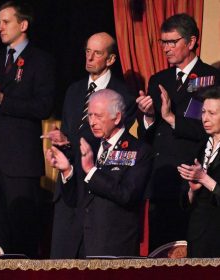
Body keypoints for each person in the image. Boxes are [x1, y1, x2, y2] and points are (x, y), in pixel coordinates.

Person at [0, 1, 55, 257]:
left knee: (22, 232)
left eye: (6, 22)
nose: (0, 27)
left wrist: (3, 101)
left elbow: (43, 107)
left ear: (23, 24)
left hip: (20, 161)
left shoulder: (41, 61)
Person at [41, 32, 137, 258]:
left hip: (96, 192)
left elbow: (112, 142)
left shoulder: (123, 95)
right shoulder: (74, 90)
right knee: (61, 262)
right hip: (67, 187)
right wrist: (61, 142)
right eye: (87, 51)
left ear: (111, 59)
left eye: (98, 53)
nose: (90, 57)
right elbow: (68, 131)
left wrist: (71, 143)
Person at [136, 13, 220, 251]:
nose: (166, 48)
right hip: (162, 179)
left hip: (192, 178)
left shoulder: (212, 78)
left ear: (191, 42)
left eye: (172, 42)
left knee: (192, 253)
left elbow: (210, 130)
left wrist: (172, 118)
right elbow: (147, 136)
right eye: (163, 43)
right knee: (161, 253)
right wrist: (149, 116)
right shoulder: (159, 79)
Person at [46, 89, 152, 257]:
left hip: (113, 244)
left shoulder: (139, 150)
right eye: (90, 116)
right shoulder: (89, 146)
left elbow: (127, 195)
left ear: (116, 118)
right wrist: (67, 171)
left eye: (98, 116)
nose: (92, 122)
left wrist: (92, 171)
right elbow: (74, 199)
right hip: (81, 243)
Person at [178, 86, 220, 257]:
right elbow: (185, 203)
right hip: (198, 236)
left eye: (212, 113)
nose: (205, 118)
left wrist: (204, 179)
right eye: (203, 112)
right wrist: (192, 190)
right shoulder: (200, 148)